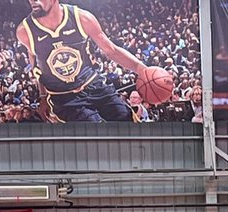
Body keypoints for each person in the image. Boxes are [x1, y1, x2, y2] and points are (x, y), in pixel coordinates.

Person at [16, 0, 147, 123]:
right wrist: (43, 96)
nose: (33, 0)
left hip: (93, 85)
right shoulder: (25, 31)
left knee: (127, 120)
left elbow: (111, 50)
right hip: (64, 98)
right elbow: (38, 67)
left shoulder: (81, 18)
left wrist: (143, 70)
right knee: (95, 134)